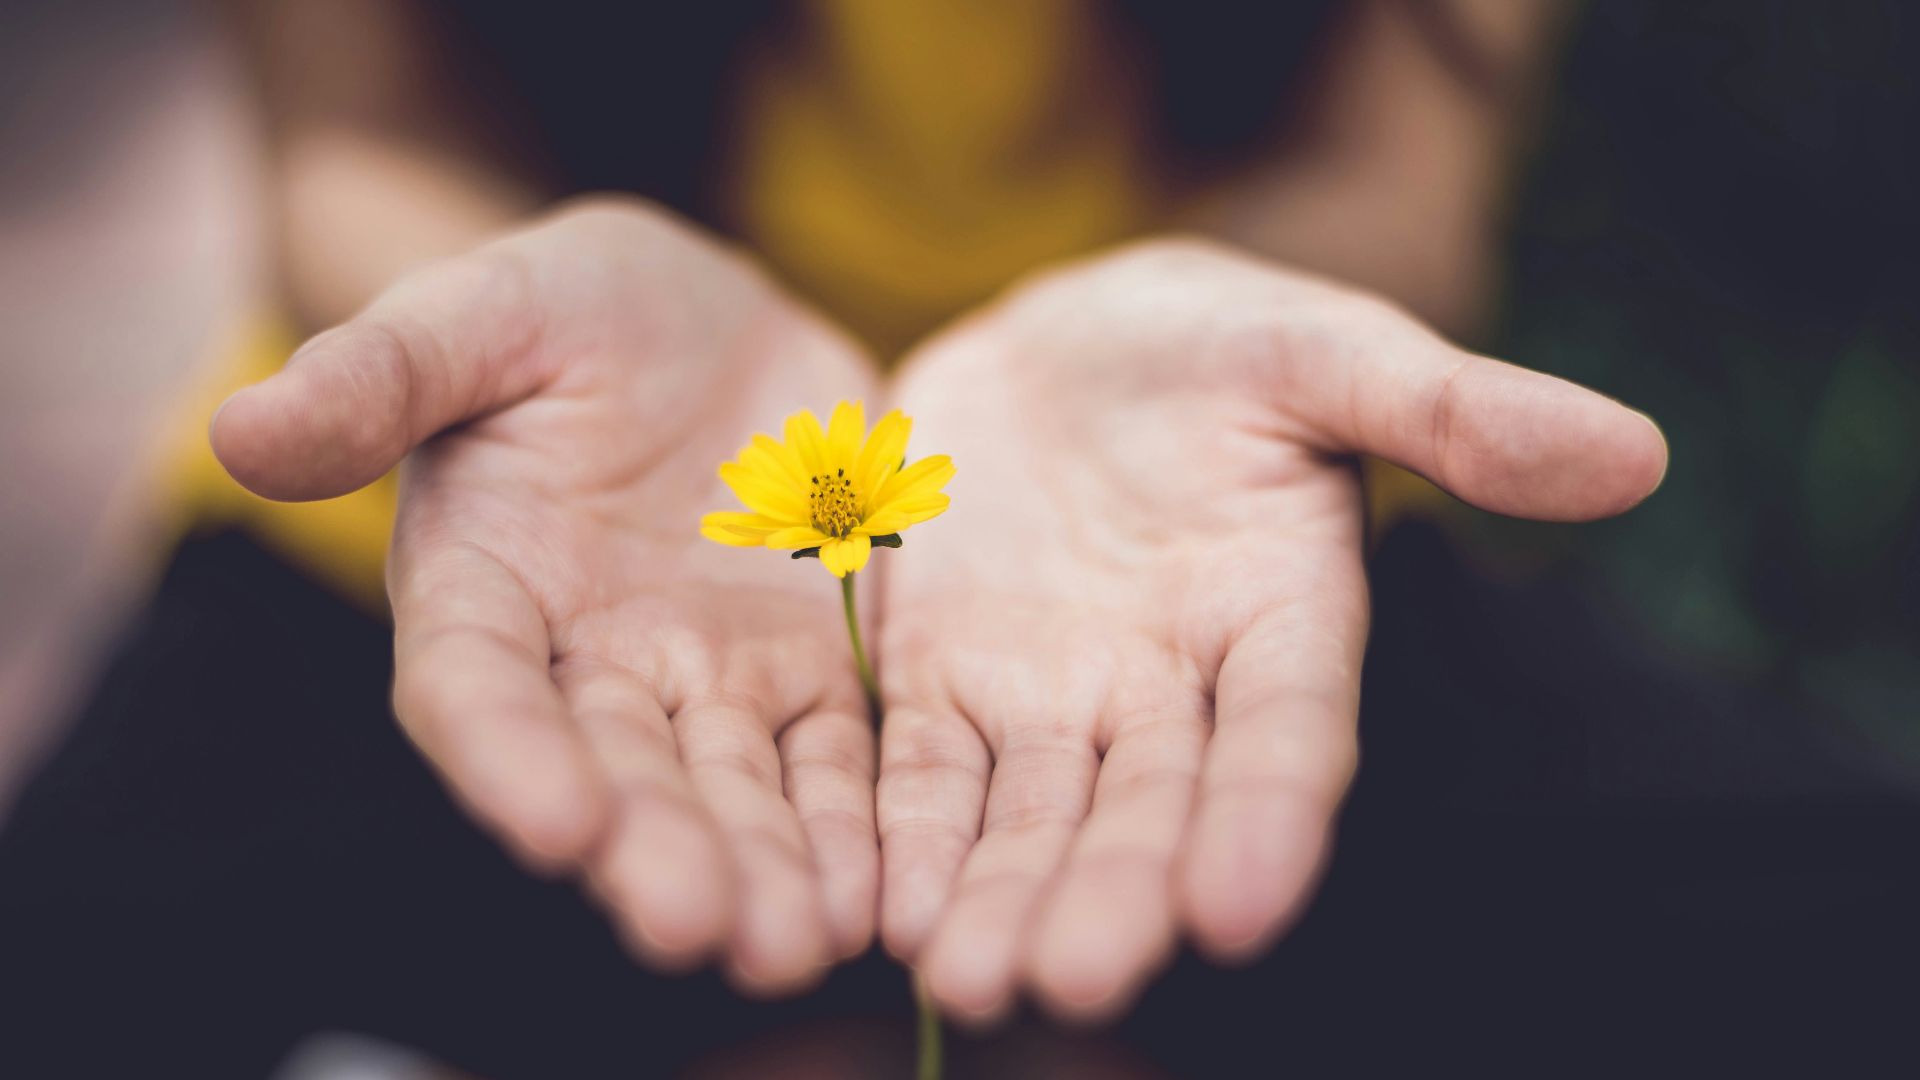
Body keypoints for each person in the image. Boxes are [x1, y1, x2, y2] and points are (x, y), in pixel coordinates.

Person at [5, 2, 1700, 1073]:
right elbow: (355, 133)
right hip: (519, 524)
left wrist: (1265, 305)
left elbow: (1392, 174)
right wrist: (474, 323)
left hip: (1178, 536)